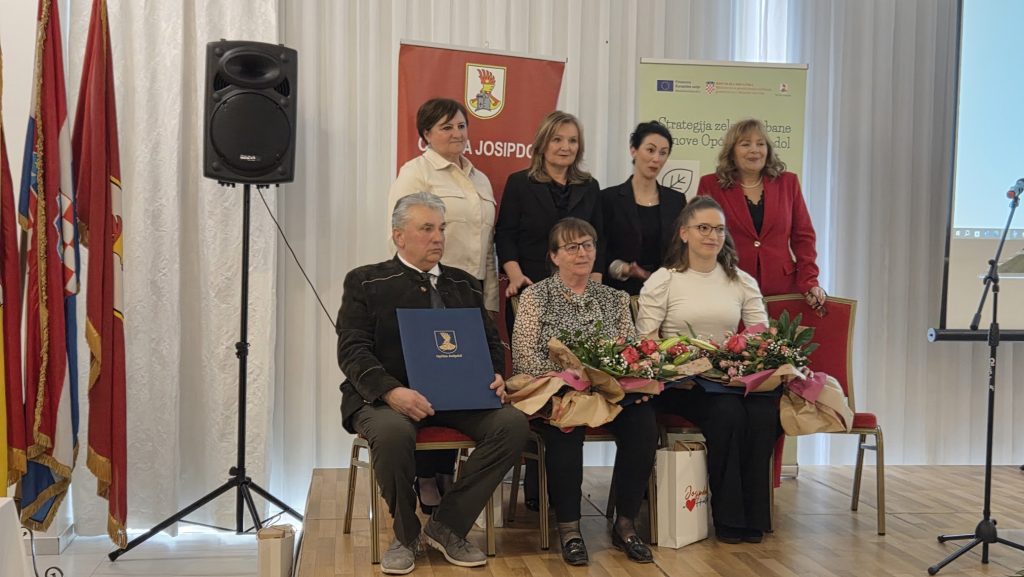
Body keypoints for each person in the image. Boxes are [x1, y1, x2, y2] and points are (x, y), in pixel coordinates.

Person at [337, 192, 528, 574]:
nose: (438, 237)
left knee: (512, 425)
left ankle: (447, 525)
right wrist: (391, 391)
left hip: (460, 398)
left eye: (441, 228)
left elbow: (490, 343)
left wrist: (495, 376)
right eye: (426, 229)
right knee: (392, 433)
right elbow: (352, 350)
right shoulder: (366, 281)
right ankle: (405, 535)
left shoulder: (465, 283)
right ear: (399, 235)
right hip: (385, 398)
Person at [512, 218, 657, 566]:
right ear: (554, 256)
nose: (582, 253)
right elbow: (524, 356)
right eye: (571, 247)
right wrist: (569, 377)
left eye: (587, 245)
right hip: (557, 390)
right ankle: (570, 529)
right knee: (565, 426)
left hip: (607, 391)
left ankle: (625, 524)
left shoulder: (614, 298)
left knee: (644, 424)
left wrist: (624, 378)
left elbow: (630, 351)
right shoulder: (536, 296)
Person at [635, 196, 779, 545]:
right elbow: (646, 341)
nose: (712, 236)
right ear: (684, 233)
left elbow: (760, 336)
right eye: (703, 228)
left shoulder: (740, 280)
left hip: (730, 377)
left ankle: (755, 517)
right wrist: (677, 367)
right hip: (683, 384)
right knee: (727, 413)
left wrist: (747, 362)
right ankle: (729, 518)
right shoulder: (665, 279)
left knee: (763, 412)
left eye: (718, 229)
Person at [388, 97, 499, 514]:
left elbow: (488, 245)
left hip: (467, 294)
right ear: (426, 135)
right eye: (446, 127)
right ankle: (424, 474)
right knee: (430, 379)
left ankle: (446, 469)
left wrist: (489, 298)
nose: (457, 133)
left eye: (461, 126)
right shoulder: (415, 173)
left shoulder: (480, 179)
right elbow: (400, 233)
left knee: (462, 382)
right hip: (427, 291)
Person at [495, 110, 604, 511]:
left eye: (572, 140)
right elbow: (505, 234)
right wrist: (515, 276)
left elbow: (599, 239)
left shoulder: (589, 187)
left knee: (576, 385)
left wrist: (592, 286)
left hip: (577, 298)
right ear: (543, 143)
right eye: (558, 139)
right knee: (539, 387)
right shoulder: (520, 183)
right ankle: (536, 488)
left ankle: (564, 485)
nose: (565, 147)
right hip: (531, 295)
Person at [697, 118, 826, 311]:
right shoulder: (710, 185)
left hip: (782, 290)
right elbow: (701, 239)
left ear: (768, 149)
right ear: (732, 151)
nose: (754, 150)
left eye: (760, 144)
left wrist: (809, 281)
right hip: (730, 289)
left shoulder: (788, 183)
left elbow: (803, 237)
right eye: (745, 144)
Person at [601, 120, 687, 295]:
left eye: (663, 153)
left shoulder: (676, 200)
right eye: (650, 150)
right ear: (634, 150)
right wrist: (624, 269)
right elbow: (600, 252)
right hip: (620, 294)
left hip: (665, 294)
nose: (656, 159)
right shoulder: (608, 198)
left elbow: (682, 250)